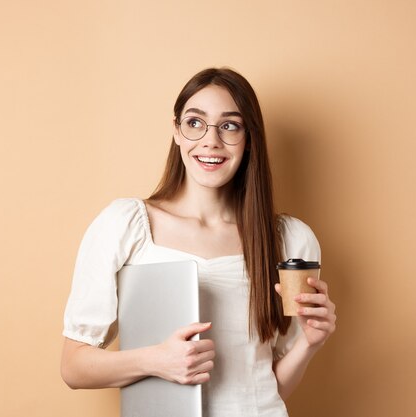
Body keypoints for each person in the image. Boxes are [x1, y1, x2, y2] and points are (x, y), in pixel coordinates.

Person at [60, 67, 337, 416]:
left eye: (229, 126)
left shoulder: (290, 241)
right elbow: (73, 367)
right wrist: (156, 361)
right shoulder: (124, 224)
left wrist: (310, 344)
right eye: (195, 123)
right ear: (176, 131)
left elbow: (270, 388)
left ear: (249, 138)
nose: (211, 141)